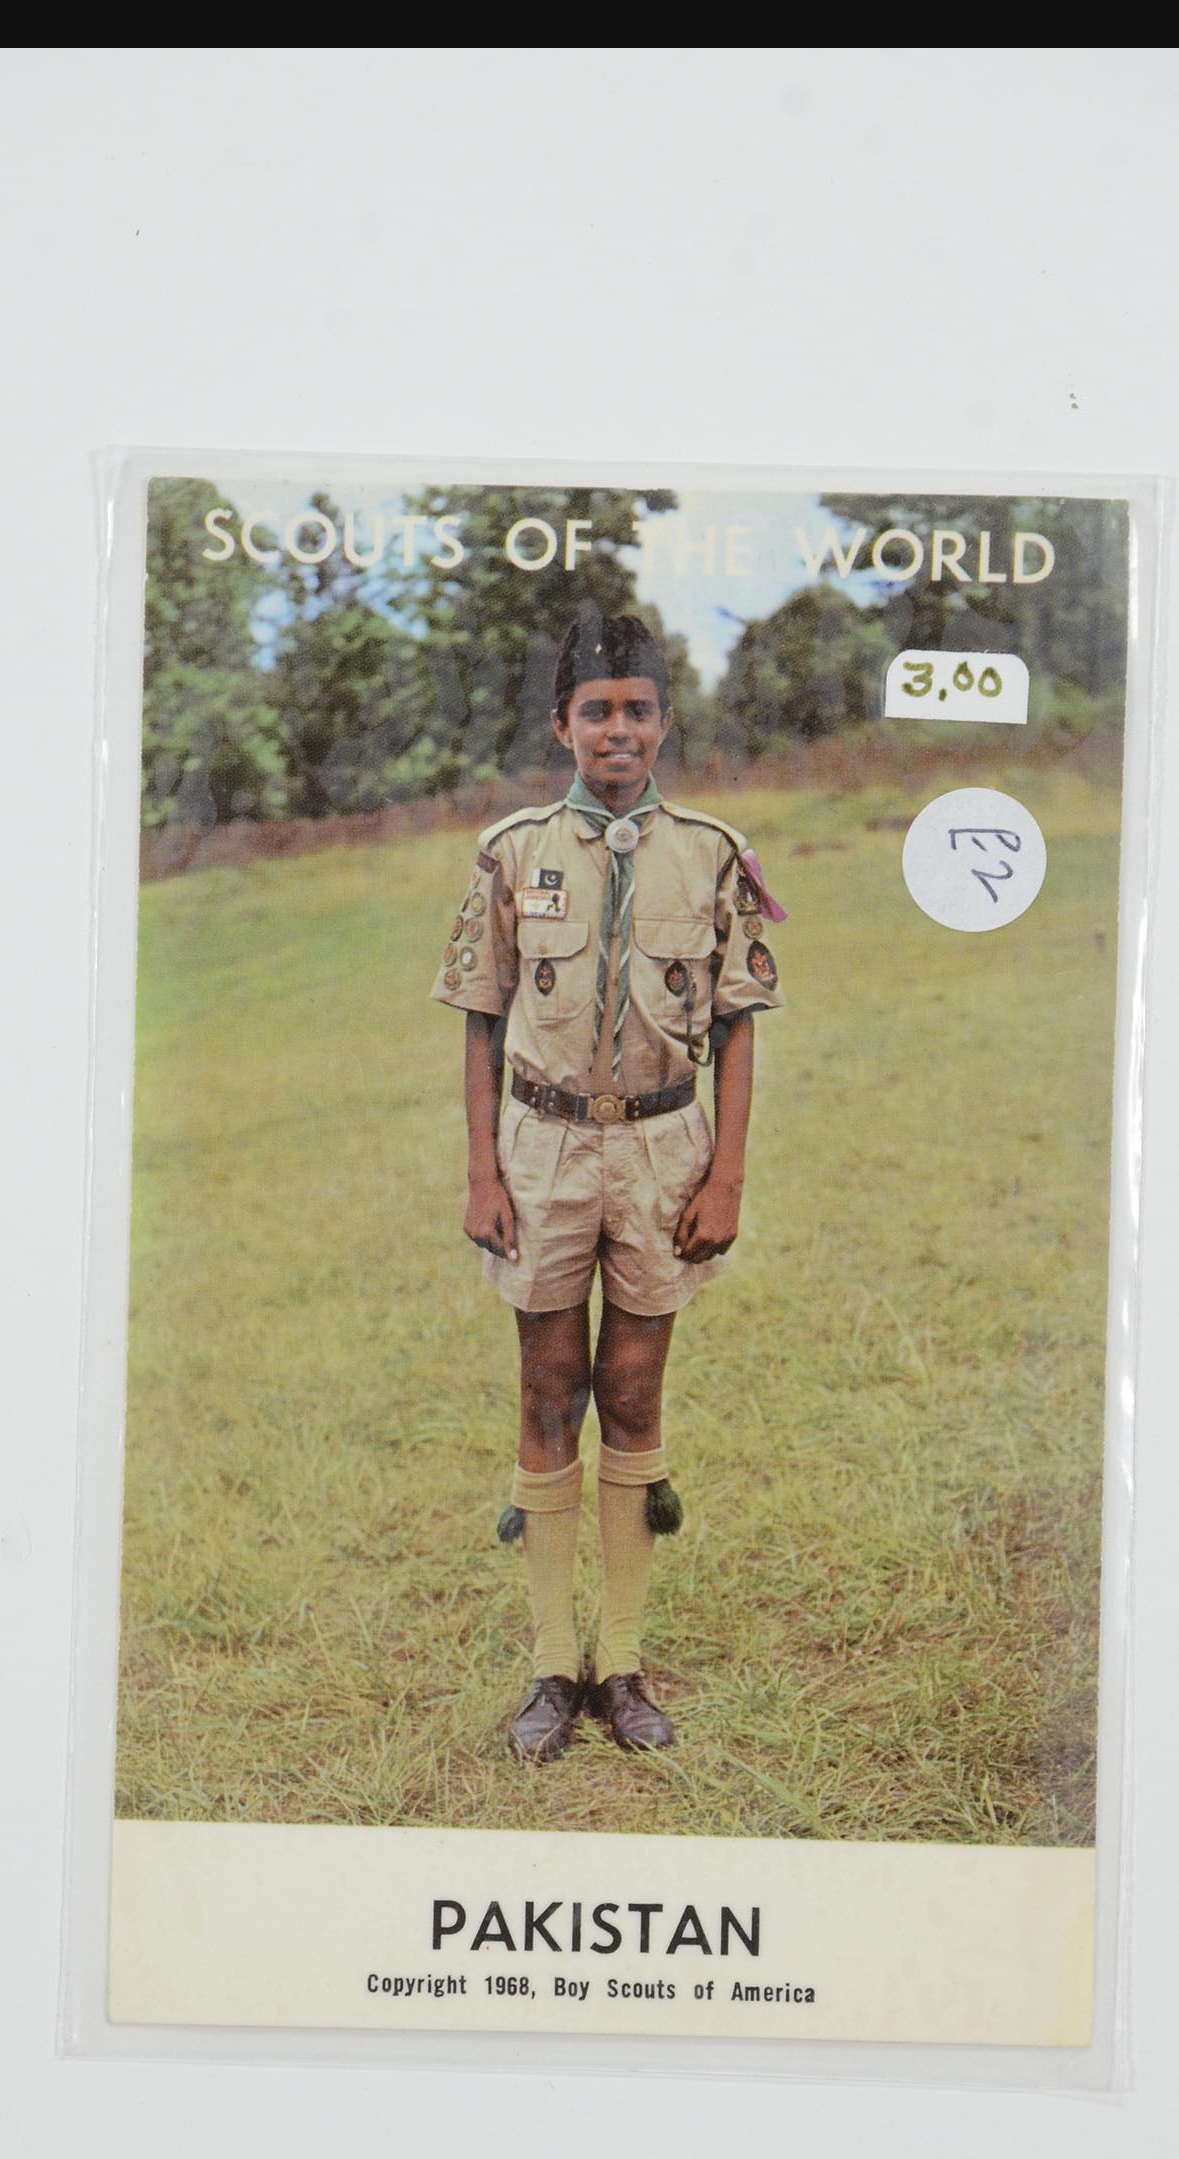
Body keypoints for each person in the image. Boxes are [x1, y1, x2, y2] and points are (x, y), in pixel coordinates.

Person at [429, 610, 787, 1760]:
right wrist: (481, 1172)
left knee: (633, 1389)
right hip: (541, 1151)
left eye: (637, 709)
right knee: (548, 1393)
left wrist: (727, 1176)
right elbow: (481, 1023)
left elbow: (737, 1026)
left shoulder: (711, 853)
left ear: (665, 723)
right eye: (596, 710)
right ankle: (552, 1665)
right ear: (562, 724)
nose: (617, 729)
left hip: (660, 1151)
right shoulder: (512, 851)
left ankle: (621, 1662)